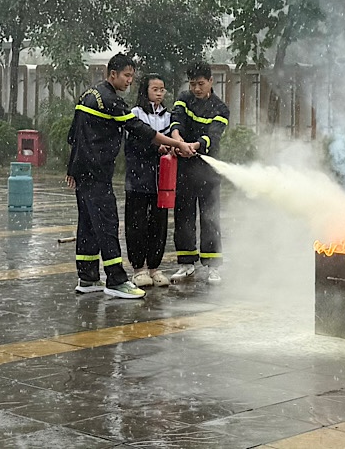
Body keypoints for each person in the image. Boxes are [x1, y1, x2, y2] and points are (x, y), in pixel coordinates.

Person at [66, 53, 198, 300]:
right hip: (97, 173)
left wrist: (71, 168)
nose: (129, 81)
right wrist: (178, 145)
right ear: (112, 73)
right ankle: (116, 280)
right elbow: (141, 130)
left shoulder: (88, 95)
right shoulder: (110, 100)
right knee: (106, 225)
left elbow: (73, 135)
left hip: (84, 172)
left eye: (132, 76)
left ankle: (88, 277)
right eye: (126, 75)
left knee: (88, 225)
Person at [169, 59, 231, 284]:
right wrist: (178, 141)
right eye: (192, 84)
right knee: (183, 216)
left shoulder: (221, 108)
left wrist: (193, 146)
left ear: (211, 82)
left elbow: (213, 136)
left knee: (210, 218)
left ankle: (212, 266)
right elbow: (176, 120)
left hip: (208, 171)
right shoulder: (184, 99)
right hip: (185, 169)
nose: (196, 89)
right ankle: (186, 264)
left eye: (201, 84)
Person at [125, 74, 173, 289]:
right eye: (155, 89)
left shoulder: (168, 117)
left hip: (161, 180)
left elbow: (172, 139)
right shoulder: (134, 114)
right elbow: (133, 143)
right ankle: (138, 269)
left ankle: (154, 267)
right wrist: (155, 147)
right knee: (137, 223)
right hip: (138, 178)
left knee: (159, 223)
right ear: (145, 91)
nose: (159, 93)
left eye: (162, 89)